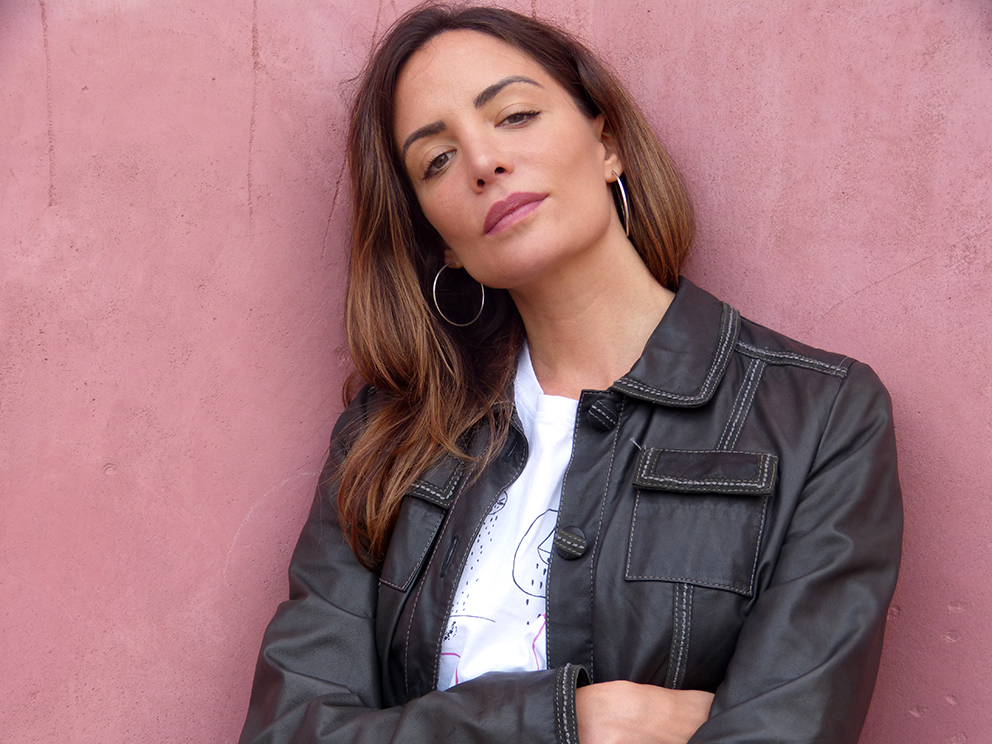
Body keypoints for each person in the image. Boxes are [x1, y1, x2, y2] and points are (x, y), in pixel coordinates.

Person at [238, 4, 902, 743]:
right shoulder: (386, 438)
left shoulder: (819, 418)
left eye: (515, 116)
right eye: (437, 160)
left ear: (607, 143)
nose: (483, 162)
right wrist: (571, 723)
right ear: (440, 239)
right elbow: (286, 731)